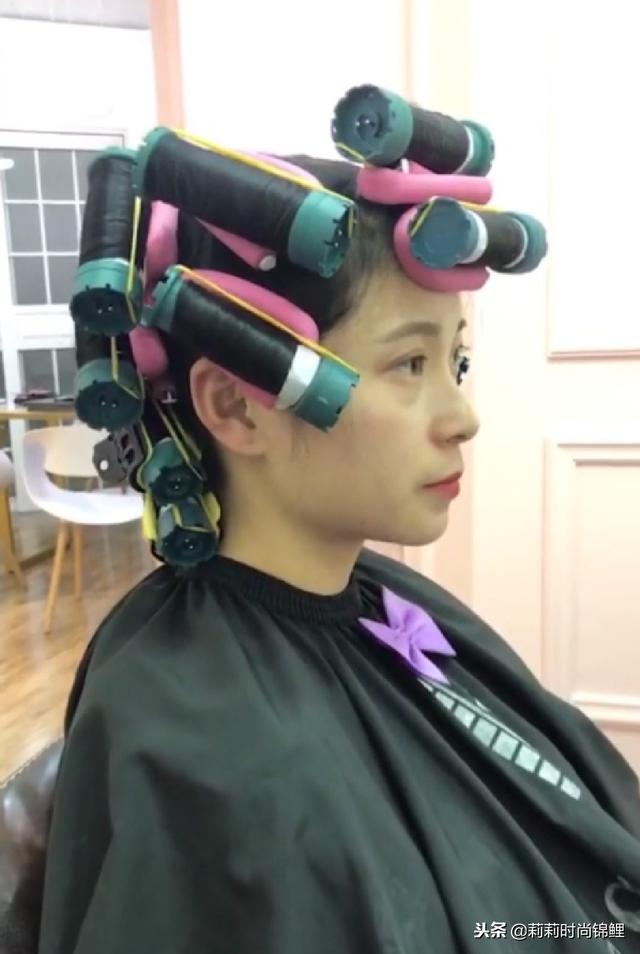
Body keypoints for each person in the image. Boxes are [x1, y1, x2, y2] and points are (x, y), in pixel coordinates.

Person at [37, 91, 640, 954]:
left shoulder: (382, 603)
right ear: (236, 406)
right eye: (409, 364)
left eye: (455, 362)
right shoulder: (192, 736)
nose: (462, 417)